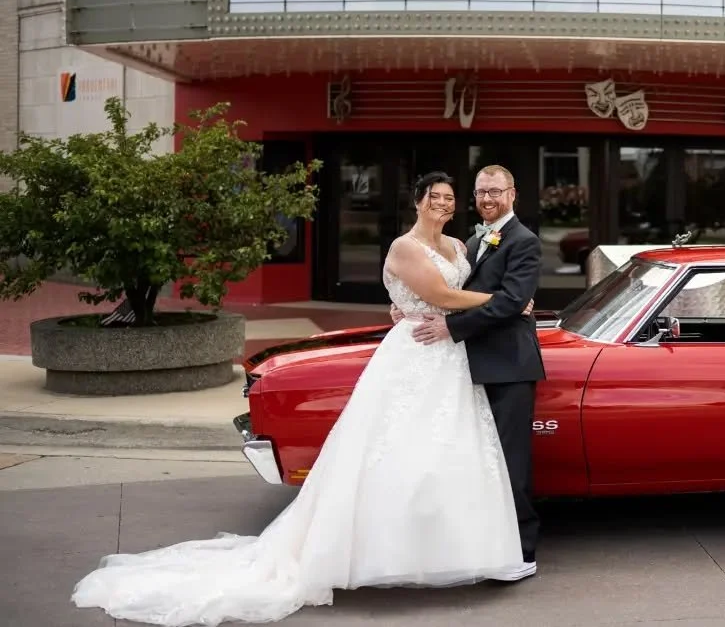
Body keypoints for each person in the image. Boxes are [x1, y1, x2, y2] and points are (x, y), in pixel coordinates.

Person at [70, 172, 531, 626]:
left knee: (449, 451)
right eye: (438, 197)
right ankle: (373, 551)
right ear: (417, 200)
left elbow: (451, 293)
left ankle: (446, 547)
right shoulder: (404, 246)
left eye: (452, 198)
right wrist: (507, 301)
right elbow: (441, 294)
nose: (446, 204)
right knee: (390, 450)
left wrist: (433, 306)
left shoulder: (460, 246)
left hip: (450, 358)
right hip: (417, 352)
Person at [393, 163, 545, 577]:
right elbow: (450, 292)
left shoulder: (524, 240)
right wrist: (407, 307)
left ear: (512, 194)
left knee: (510, 463)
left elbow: (509, 300)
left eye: (496, 191)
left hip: (508, 365)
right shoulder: (472, 242)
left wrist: (450, 324)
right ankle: (485, 547)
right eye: (481, 192)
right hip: (467, 364)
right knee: (477, 461)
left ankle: (523, 551)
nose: (488, 199)